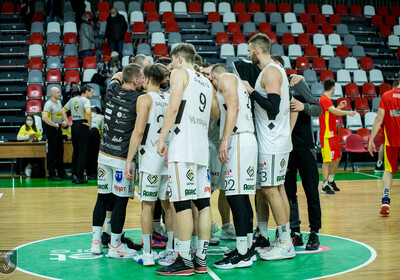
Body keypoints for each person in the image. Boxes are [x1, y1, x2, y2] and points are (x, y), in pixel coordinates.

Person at [156, 43, 220, 276]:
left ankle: (184, 260)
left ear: (179, 59)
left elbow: (173, 107)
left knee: (181, 203)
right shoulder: (204, 80)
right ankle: (201, 259)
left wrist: (162, 137)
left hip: (183, 146)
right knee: (203, 203)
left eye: (172, 61)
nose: (170, 66)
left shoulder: (179, 73)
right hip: (202, 148)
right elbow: (215, 112)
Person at [243, 33, 296, 261]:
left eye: (248, 50)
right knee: (278, 188)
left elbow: (272, 107)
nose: (247, 54)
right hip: (275, 140)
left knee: (270, 190)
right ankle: (284, 239)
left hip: (273, 141)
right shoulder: (270, 71)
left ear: (256, 50)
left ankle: (285, 244)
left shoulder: (272, 71)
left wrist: (250, 91)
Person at [90, 64, 144, 258]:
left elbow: (119, 74)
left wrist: (129, 73)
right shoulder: (139, 99)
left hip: (103, 155)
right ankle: (115, 246)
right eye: (142, 78)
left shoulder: (112, 89)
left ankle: (96, 242)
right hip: (122, 158)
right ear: (137, 81)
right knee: (120, 202)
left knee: (102, 198)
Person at [124, 65, 173, 266]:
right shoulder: (171, 98)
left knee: (147, 205)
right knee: (168, 206)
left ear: (147, 79)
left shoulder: (144, 99)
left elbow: (138, 131)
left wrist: (129, 159)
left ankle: (147, 253)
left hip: (150, 160)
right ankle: (171, 251)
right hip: (168, 159)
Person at [211, 64, 257, 269]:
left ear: (214, 74)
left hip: (238, 140)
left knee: (235, 195)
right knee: (241, 195)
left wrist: (225, 140)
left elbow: (234, 108)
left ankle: (242, 254)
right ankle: (247, 245)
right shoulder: (231, 84)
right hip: (245, 139)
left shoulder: (227, 78)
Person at [280, 57, 322, 251]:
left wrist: (303, 106)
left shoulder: (297, 83)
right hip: (284, 148)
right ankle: (294, 231)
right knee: (289, 193)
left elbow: (318, 109)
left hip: (305, 146)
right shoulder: (268, 86)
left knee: (311, 190)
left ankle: (314, 232)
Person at [368, 80, 400, 216]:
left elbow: (378, 119)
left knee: (388, 171)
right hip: (390, 141)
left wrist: (371, 140)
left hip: (390, 141)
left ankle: (386, 200)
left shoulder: (387, 96)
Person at [319, 79, 356, 194]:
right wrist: (348, 112)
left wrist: (339, 107)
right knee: (327, 161)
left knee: (338, 157)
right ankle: (324, 186)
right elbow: (333, 111)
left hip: (333, 134)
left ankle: (330, 180)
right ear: (333, 88)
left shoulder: (328, 100)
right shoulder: (324, 99)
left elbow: (332, 112)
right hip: (326, 136)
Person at [61, 85, 93, 184]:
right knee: (83, 152)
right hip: (83, 125)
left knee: (75, 152)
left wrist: (69, 123)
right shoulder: (85, 100)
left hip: (74, 125)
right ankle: (80, 177)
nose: (92, 94)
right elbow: (88, 111)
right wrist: (90, 124)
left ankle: (74, 175)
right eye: (91, 92)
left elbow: (62, 111)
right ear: (86, 91)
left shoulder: (73, 99)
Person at [42, 87, 69, 181]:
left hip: (59, 129)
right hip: (51, 129)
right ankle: (52, 174)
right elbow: (44, 117)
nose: (59, 94)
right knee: (52, 152)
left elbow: (60, 115)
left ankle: (61, 173)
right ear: (52, 94)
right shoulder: (48, 104)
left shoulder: (59, 103)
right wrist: (54, 124)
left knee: (60, 152)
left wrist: (63, 121)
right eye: (57, 92)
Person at [86, 107, 103, 180]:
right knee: (94, 154)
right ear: (96, 112)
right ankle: (94, 174)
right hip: (95, 132)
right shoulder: (100, 117)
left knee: (86, 153)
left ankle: (88, 174)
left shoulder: (86, 116)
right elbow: (102, 131)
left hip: (86, 132)